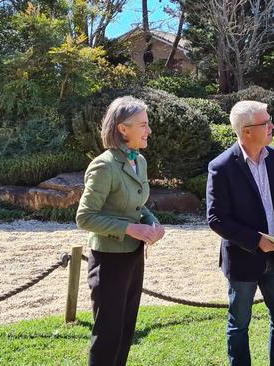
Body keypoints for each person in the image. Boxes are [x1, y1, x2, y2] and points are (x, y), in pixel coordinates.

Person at [206, 100, 274, 366]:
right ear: (246, 131)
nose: (272, 126)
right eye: (266, 122)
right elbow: (216, 219)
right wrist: (256, 241)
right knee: (239, 323)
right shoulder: (221, 167)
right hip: (243, 258)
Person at [76, 96, 165, 366]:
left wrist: (151, 222)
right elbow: (85, 217)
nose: (149, 130)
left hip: (133, 256)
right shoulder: (104, 166)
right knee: (108, 336)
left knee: (126, 330)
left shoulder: (140, 161)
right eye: (143, 125)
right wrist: (130, 229)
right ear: (122, 129)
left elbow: (138, 205)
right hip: (109, 261)